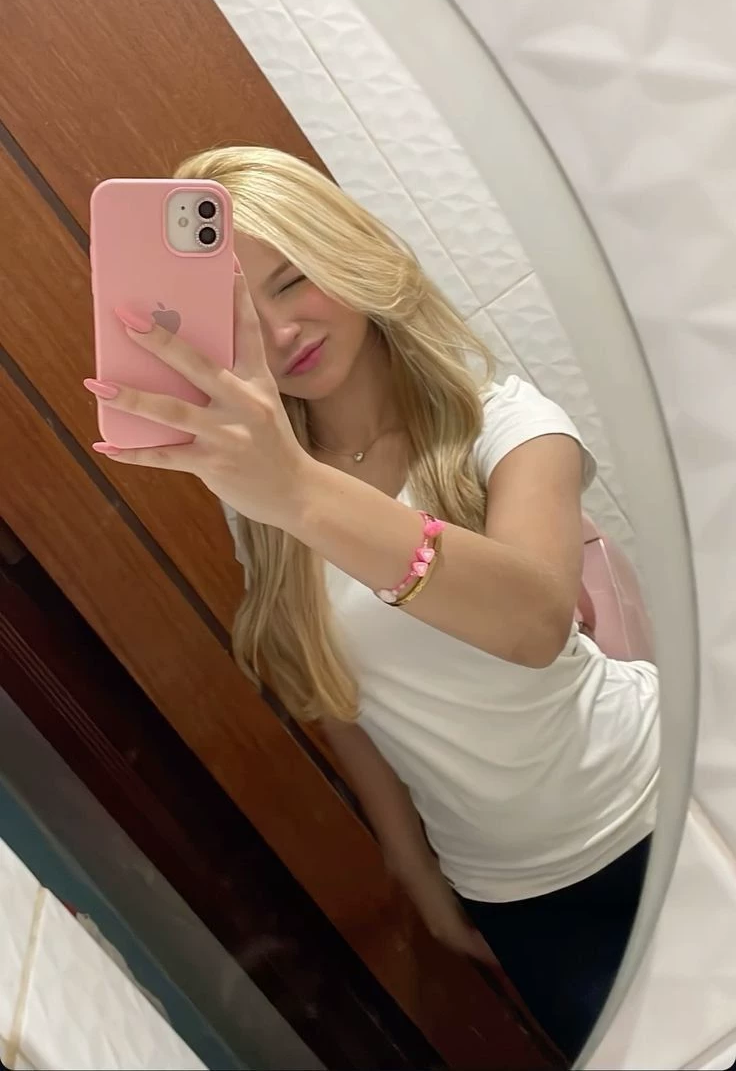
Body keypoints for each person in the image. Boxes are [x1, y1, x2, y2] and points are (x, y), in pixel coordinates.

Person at [86, 146, 659, 1062]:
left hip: (660, 809)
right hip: (516, 897)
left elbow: (534, 624)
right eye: (243, 316)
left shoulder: (506, 424)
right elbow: (339, 692)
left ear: (346, 253)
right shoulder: (261, 500)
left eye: (292, 279)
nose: (280, 333)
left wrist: (299, 491)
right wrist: (413, 870)